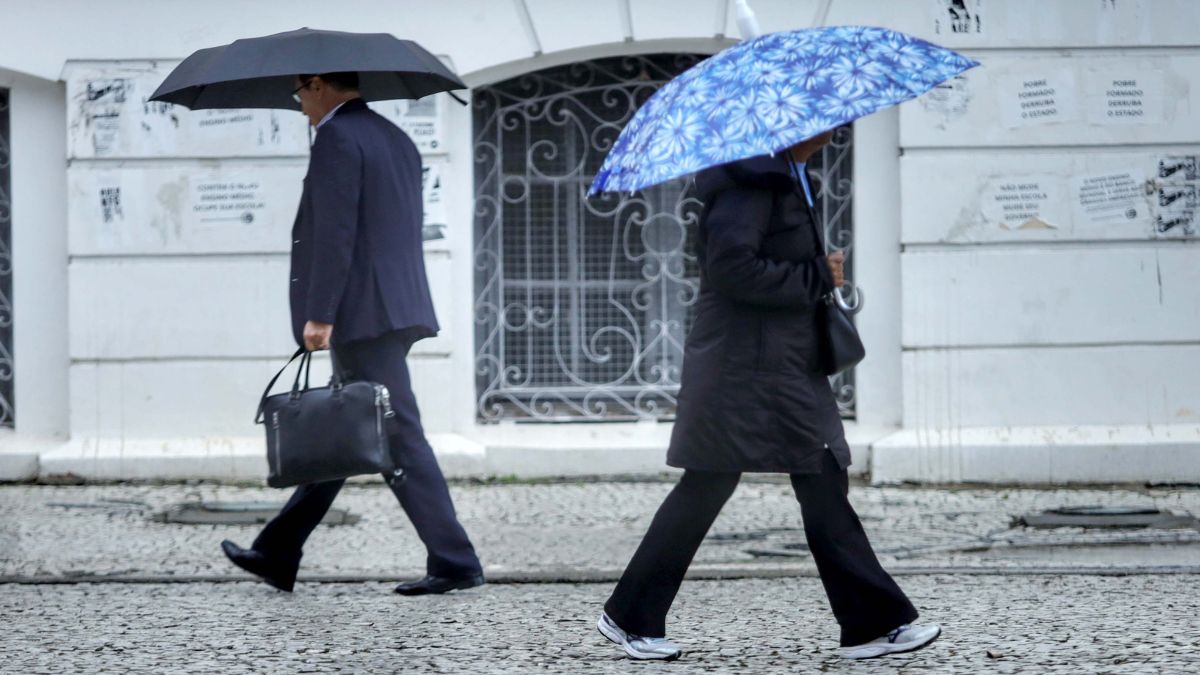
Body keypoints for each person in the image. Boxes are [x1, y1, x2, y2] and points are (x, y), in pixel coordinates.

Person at [597, 130, 940, 661]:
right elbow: (732, 269)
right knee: (713, 484)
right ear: (794, 127)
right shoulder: (750, 184)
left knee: (819, 474)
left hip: (780, 362)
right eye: (827, 121)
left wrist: (814, 274)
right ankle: (630, 616)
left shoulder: (788, 177)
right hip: (743, 369)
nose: (834, 131)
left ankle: (871, 624)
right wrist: (815, 275)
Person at [221, 72, 484, 597]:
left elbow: (337, 233)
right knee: (347, 428)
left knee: (398, 434)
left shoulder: (339, 138)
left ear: (318, 85)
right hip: (393, 304)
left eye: (298, 94)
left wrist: (321, 313)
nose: (299, 107)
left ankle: (455, 560)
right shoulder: (393, 136)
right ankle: (278, 550)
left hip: (363, 312)